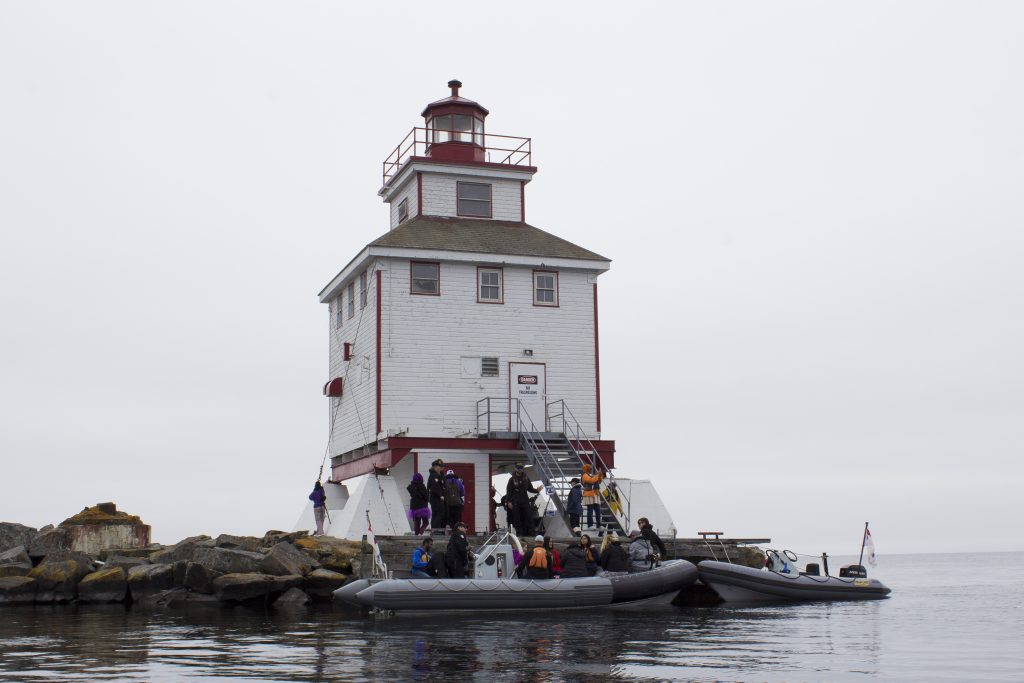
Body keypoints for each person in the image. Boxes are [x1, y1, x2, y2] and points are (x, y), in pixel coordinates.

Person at [506, 464, 539, 537]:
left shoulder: (526, 478)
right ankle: (519, 534)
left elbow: (530, 488)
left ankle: (532, 534)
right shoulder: (512, 479)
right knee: (517, 519)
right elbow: (509, 491)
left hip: (524, 499)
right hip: (515, 501)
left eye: (521, 468)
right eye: (518, 468)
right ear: (515, 469)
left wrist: (537, 490)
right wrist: (508, 502)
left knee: (529, 517)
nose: (520, 470)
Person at [581, 463, 604, 531]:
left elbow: (599, 481)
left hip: (595, 494)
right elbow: (591, 481)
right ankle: (590, 525)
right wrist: (597, 475)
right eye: (590, 468)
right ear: (586, 469)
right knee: (590, 510)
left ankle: (599, 525)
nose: (591, 469)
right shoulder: (585, 475)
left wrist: (600, 474)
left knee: (598, 510)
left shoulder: (592, 475)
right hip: (588, 494)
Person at [427, 459, 447, 534]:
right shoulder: (433, 475)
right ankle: (436, 530)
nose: (441, 468)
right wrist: (440, 495)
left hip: (439, 498)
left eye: (441, 467)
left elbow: (443, 485)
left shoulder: (440, 475)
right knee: (439, 513)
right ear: (435, 467)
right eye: (439, 467)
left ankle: (436, 530)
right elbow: (435, 487)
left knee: (438, 514)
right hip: (436, 498)